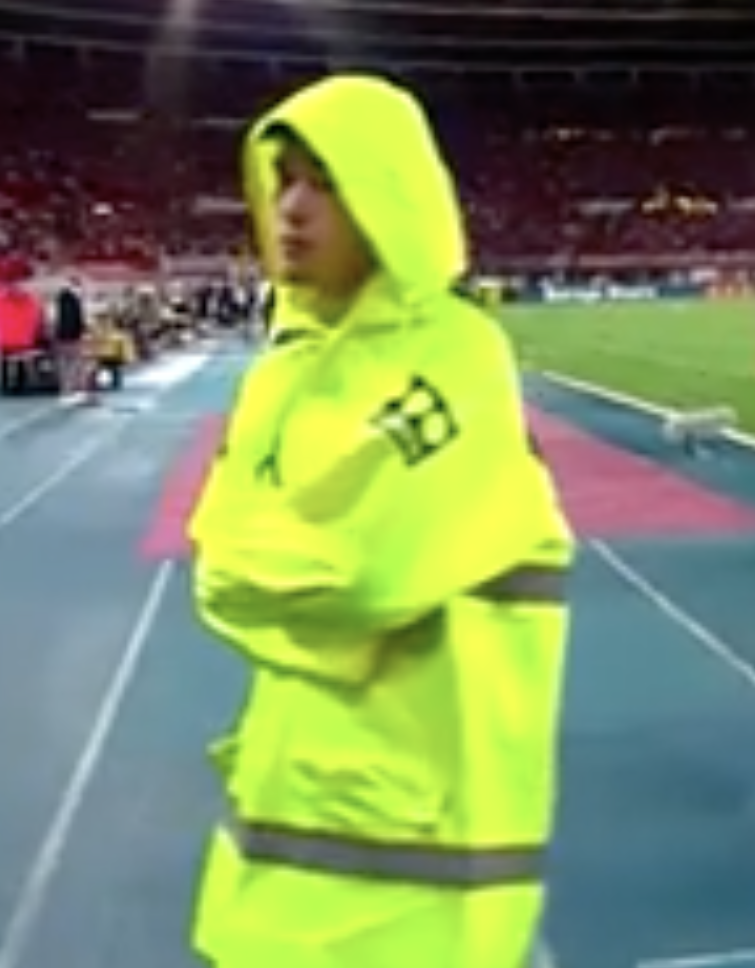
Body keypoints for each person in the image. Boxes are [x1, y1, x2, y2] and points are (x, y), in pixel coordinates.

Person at [183, 73, 573, 968]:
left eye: (325, 181)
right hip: (272, 874)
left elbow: (352, 578)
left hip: (418, 887)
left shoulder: (457, 359)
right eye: (284, 178)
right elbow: (220, 577)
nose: (291, 207)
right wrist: (276, 580)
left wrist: (262, 569)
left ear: (387, 195)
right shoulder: (281, 373)